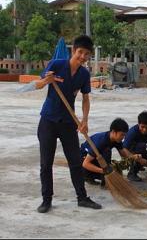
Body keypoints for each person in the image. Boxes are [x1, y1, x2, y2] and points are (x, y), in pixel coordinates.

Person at [35, 35, 102, 213]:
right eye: (80, 52)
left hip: (68, 123)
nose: (82, 56)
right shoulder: (56, 64)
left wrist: (85, 120)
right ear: (74, 50)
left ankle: (82, 197)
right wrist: (46, 81)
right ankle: (46, 200)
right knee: (46, 163)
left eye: (86, 54)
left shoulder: (84, 74)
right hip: (48, 121)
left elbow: (85, 98)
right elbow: (38, 85)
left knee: (75, 162)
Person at [80, 118, 144, 186]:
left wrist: (134, 157)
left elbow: (123, 155)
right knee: (107, 152)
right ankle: (87, 176)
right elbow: (85, 164)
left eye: (125, 135)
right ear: (113, 132)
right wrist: (103, 171)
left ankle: (102, 177)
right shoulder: (101, 142)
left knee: (109, 162)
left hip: (97, 158)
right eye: (122, 135)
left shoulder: (116, 140)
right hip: (82, 160)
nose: (123, 137)